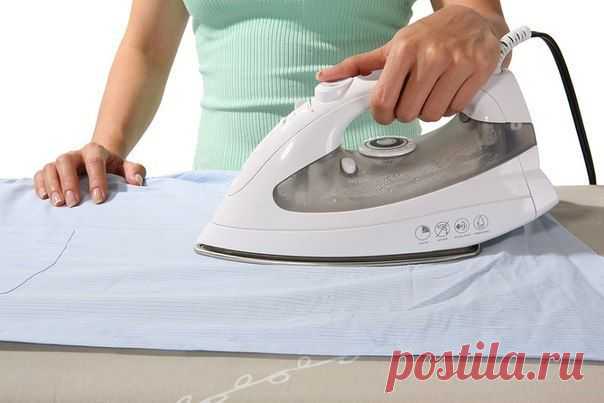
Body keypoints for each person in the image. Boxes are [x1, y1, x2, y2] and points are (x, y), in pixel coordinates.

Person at [34, 0, 509, 207]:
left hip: (382, 192)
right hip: (218, 199)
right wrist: (106, 148)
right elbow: (146, 49)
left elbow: (483, 21)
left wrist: (470, 25)